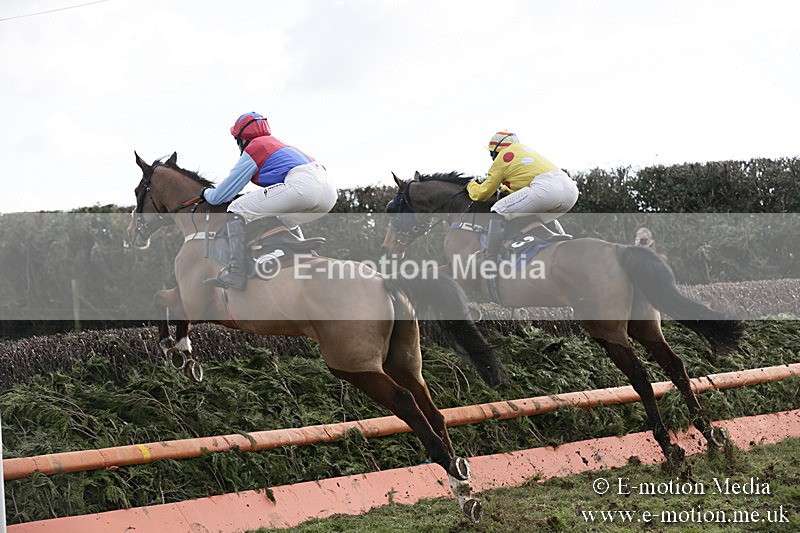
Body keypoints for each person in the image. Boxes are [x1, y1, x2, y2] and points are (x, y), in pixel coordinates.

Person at [201, 112, 338, 290]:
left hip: (302, 187)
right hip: (329, 195)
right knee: (281, 218)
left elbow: (220, 196)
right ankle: (303, 255)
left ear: (241, 139)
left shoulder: (256, 147)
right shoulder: (280, 144)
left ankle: (236, 272)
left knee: (236, 208)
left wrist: (205, 192)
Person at [466, 131, 579, 258]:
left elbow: (482, 194)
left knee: (498, 209)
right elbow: (523, 188)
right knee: (538, 214)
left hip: (545, 190)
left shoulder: (501, 158)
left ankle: (489, 258)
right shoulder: (525, 152)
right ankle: (564, 243)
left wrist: (470, 185)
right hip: (571, 192)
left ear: (495, 151)